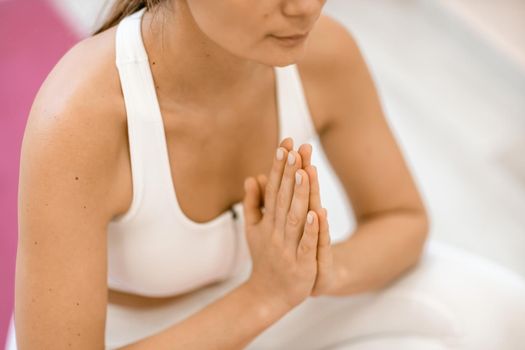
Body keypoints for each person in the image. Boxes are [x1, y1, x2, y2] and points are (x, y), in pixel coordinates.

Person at [12, 0, 525, 349]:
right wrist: (266, 295)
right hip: (135, 337)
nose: (304, 6)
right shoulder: (81, 118)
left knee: (504, 310)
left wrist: (319, 272)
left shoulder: (324, 52)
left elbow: (402, 218)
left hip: (274, 301)